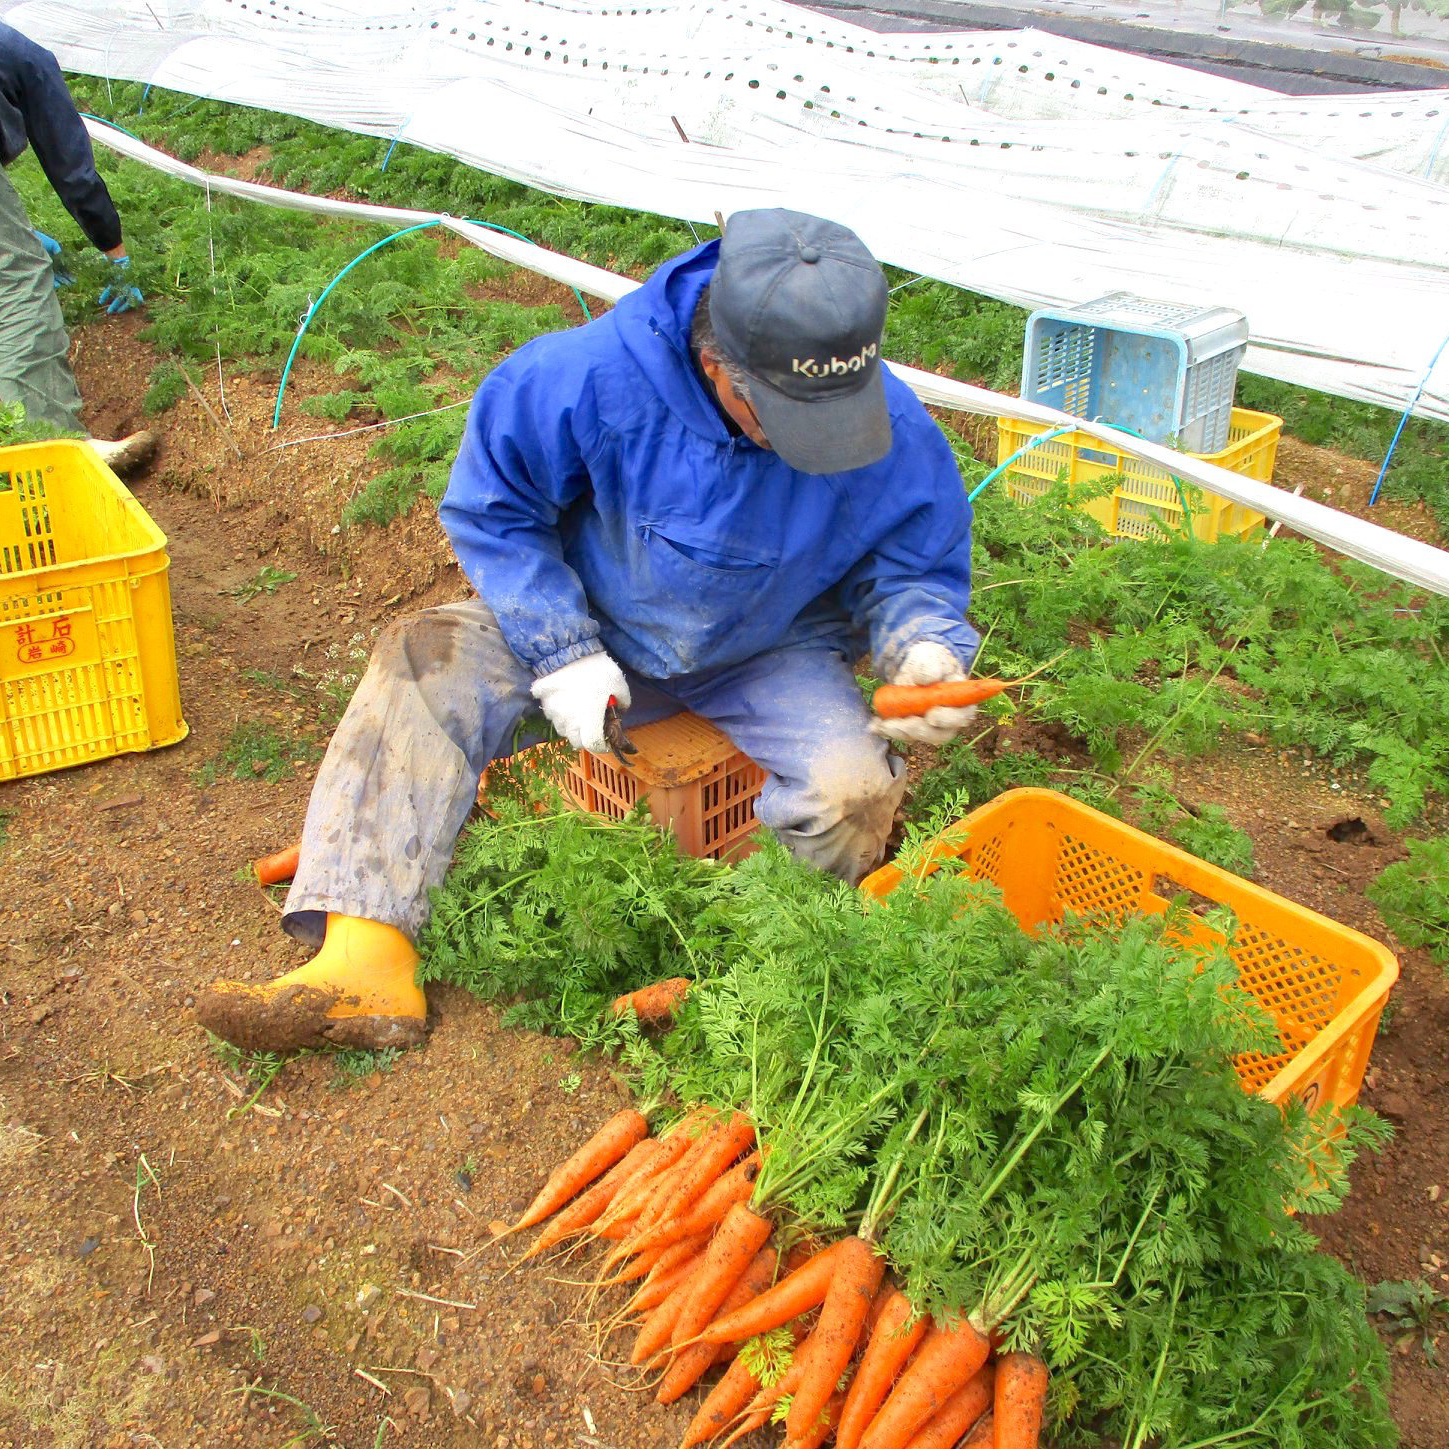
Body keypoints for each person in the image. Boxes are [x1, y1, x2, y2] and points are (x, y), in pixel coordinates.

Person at [197, 208, 981, 1055]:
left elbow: (913, 560)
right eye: (786, 419)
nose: (814, 442)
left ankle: (770, 970)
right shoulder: (586, 378)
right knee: (422, 658)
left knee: (851, 786)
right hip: (592, 621)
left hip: (770, 647)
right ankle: (365, 960)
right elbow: (495, 509)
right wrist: (564, 651)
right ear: (718, 367)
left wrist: (923, 642)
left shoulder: (887, 423)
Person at [1, 22, 156, 470]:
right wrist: (115, 252)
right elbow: (71, 167)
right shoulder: (22, 54)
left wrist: (22, 233)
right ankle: (44, 449)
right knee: (17, 282)